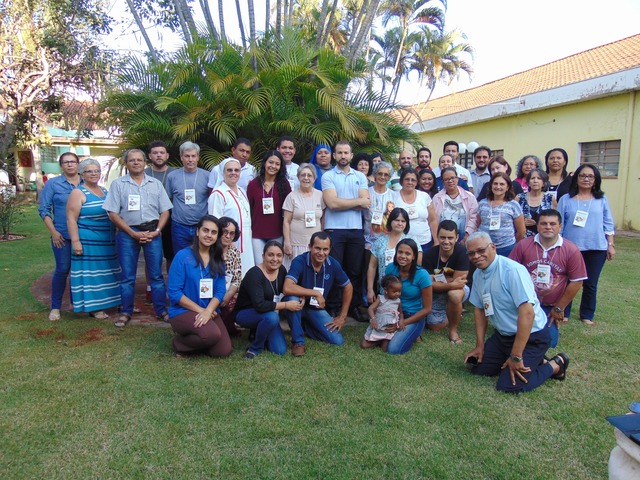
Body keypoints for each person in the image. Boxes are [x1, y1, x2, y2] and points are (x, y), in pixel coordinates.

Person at [463, 231, 570, 393]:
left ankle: (555, 365)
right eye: (471, 253)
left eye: (481, 251)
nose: (476, 256)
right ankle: (534, 360)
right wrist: (479, 346)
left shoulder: (512, 271)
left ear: (493, 247)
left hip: (532, 336)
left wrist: (516, 356)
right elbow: (479, 309)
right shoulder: (478, 274)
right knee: (479, 369)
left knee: (509, 386)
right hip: (503, 336)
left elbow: (528, 314)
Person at [103, 149, 173, 327]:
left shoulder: (155, 184)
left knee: (156, 275)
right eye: (132, 160)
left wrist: (157, 231)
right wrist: (131, 232)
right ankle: (126, 312)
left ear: (145, 163)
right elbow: (112, 213)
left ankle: (161, 310)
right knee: (127, 276)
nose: (136, 163)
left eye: (139, 160)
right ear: (126, 163)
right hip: (128, 234)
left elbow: (165, 210)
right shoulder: (118, 185)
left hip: (152, 233)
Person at [509, 209, 587, 347]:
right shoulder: (523, 245)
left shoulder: (571, 249)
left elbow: (577, 281)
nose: (548, 227)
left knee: (549, 343)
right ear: (537, 226)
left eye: (552, 224)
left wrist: (559, 308)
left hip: (550, 307)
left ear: (560, 226)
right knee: (511, 337)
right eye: (544, 224)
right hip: (524, 303)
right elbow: (510, 273)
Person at [557, 164, 615, 325]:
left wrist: (611, 244)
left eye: (590, 176)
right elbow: (559, 224)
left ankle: (587, 315)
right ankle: (564, 312)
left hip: (596, 247)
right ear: (576, 179)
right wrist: (559, 245)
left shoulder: (601, 199)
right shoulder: (566, 199)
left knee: (590, 283)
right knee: (568, 281)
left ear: (595, 180)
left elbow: (608, 223)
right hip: (571, 248)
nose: (586, 179)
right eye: (582, 176)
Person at [167, 215, 232, 358]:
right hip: (182, 311)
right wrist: (203, 311)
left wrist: (209, 310)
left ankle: (200, 341)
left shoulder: (217, 258)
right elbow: (174, 293)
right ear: (197, 231)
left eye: (213, 232)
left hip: (208, 310)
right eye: (205, 230)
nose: (209, 235)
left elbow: (220, 290)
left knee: (222, 351)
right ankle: (179, 344)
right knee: (211, 334)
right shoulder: (182, 256)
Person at [321, 140, 370, 322]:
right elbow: (332, 204)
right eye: (339, 152)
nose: (343, 156)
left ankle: (354, 307)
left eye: (346, 153)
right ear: (334, 156)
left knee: (355, 270)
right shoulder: (328, 176)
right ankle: (332, 306)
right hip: (334, 230)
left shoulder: (360, 176)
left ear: (351, 155)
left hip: (356, 230)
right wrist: (356, 202)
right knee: (333, 268)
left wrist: (345, 202)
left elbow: (366, 203)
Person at [66, 158, 120, 319]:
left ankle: (110, 302)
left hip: (107, 242)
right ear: (81, 173)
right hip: (88, 242)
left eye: (96, 170)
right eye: (89, 171)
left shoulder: (105, 190)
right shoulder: (78, 192)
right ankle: (95, 308)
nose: (94, 174)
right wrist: (75, 241)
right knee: (92, 275)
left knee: (107, 272)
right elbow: (71, 218)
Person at [283, 232, 352, 355]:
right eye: (317, 248)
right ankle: (298, 342)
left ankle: (305, 327)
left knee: (338, 340)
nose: (321, 253)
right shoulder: (299, 261)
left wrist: (342, 316)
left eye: (325, 249)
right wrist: (315, 293)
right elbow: (287, 287)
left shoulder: (333, 264)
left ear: (330, 249)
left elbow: (348, 287)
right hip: (298, 305)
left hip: (315, 308)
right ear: (310, 247)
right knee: (293, 298)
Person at [234, 241, 304, 359]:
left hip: (268, 313)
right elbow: (260, 305)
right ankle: (256, 347)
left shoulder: (281, 270)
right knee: (272, 317)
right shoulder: (254, 274)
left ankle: (258, 332)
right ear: (263, 256)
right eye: (270, 255)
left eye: (279, 255)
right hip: (246, 313)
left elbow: (287, 289)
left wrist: (301, 296)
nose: (275, 259)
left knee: (279, 350)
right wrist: (286, 305)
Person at [38, 152, 81, 321]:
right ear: (61, 165)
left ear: (78, 164)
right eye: (66, 162)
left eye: (72, 162)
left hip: (83, 234)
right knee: (63, 270)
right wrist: (54, 232)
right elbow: (44, 210)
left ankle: (78, 304)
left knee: (81, 271)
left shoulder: (86, 182)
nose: (70, 165)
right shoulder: (54, 184)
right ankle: (55, 307)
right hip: (61, 235)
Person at [422, 220, 470, 344]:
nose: (446, 241)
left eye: (450, 238)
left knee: (454, 295)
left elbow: (458, 284)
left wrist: (447, 284)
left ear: (457, 237)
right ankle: (454, 312)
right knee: (434, 326)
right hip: (437, 292)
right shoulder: (429, 254)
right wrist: (450, 282)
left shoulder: (462, 253)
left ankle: (453, 330)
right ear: (437, 236)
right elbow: (428, 284)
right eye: (442, 237)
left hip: (456, 290)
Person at [382, 238, 432, 355]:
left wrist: (401, 323)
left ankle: (414, 332)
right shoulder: (390, 268)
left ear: (414, 256)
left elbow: (427, 309)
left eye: (407, 253)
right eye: (400, 252)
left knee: (393, 349)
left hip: (412, 316)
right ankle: (408, 334)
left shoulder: (422, 275)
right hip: (392, 311)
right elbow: (385, 293)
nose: (403, 256)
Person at [208, 158, 254, 276]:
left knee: (246, 274)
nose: (233, 173)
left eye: (236, 170)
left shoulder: (242, 191)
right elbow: (215, 223)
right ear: (223, 173)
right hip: (228, 243)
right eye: (229, 170)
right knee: (231, 277)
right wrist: (226, 243)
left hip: (246, 242)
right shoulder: (218, 193)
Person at [246, 150, 291, 265]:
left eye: (277, 164)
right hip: (257, 233)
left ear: (281, 166)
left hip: (277, 233)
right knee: (260, 265)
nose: (273, 166)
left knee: (274, 265)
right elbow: (248, 209)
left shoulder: (284, 184)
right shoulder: (253, 184)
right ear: (265, 163)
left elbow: (288, 211)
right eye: (270, 162)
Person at [367, 207, 420, 303]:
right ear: (390, 221)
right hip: (385, 291)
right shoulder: (380, 241)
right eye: (397, 220)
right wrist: (370, 289)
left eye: (403, 221)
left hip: (406, 290)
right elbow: (372, 266)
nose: (400, 223)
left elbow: (418, 266)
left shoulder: (413, 241)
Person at [165, 141, 210, 252]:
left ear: (198, 157)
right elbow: (168, 200)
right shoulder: (172, 177)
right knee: (181, 258)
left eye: (193, 156)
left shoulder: (207, 176)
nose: (190, 160)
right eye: (187, 156)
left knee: (202, 257)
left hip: (201, 226)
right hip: (179, 227)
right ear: (181, 157)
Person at [282, 163, 325, 269]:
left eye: (309, 175)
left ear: (314, 178)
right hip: (296, 245)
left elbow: (323, 218)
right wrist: (287, 243)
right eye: (303, 175)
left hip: (315, 245)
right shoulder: (291, 196)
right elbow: (286, 221)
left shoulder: (320, 195)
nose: (306, 178)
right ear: (298, 177)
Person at [476, 172, 525, 256]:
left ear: (507, 187)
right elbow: (479, 223)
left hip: (506, 248)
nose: (498, 187)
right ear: (491, 185)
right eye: (495, 183)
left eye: (502, 184)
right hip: (484, 247)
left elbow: (521, 231)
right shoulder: (482, 203)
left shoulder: (513, 205)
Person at [145, 140, 176, 268]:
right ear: (149, 156)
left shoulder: (175, 173)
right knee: (151, 257)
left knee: (171, 255)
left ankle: (170, 285)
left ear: (167, 155)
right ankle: (149, 286)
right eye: (155, 153)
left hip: (170, 220)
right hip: (148, 219)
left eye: (162, 153)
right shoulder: (144, 173)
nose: (159, 155)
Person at [394, 167, 438, 254]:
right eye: (407, 179)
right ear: (401, 181)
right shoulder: (393, 196)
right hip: (401, 243)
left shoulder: (424, 196)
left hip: (424, 242)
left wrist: (436, 241)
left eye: (413, 180)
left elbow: (432, 220)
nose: (410, 182)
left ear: (417, 182)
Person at [431, 167, 478, 244]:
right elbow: (434, 220)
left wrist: (466, 237)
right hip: (444, 241)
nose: (450, 181)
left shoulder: (469, 197)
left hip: (465, 240)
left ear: (457, 179)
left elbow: (474, 218)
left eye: (453, 178)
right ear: (443, 182)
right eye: (447, 179)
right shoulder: (436, 198)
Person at [361, 274, 403, 351]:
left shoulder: (398, 301)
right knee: (364, 345)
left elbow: (401, 313)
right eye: (394, 291)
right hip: (378, 326)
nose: (397, 294)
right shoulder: (380, 298)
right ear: (385, 290)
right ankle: (378, 341)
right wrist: (373, 319)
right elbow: (370, 308)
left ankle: (384, 340)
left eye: (399, 291)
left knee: (385, 349)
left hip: (388, 328)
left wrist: (401, 321)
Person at [218, 217, 243, 336]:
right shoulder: (209, 250)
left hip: (229, 292)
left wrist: (228, 296)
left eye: (232, 233)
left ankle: (228, 327)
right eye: (225, 232)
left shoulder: (235, 251)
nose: (228, 236)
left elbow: (237, 279)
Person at [364, 161, 396, 249]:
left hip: (388, 242)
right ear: (374, 175)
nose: (382, 177)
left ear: (389, 177)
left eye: (386, 175)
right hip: (368, 242)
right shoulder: (366, 193)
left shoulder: (394, 195)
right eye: (380, 174)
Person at [517, 168, 556, 237]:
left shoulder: (550, 198)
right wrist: (522, 223)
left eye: (539, 178)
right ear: (528, 182)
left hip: (544, 238)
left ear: (544, 182)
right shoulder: (519, 198)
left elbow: (555, 219)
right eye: (532, 178)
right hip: (523, 238)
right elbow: (511, 219)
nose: (535, 181)